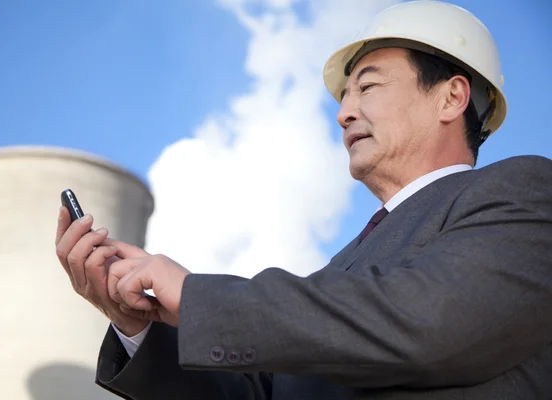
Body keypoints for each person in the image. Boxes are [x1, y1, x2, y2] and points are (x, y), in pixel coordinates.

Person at [55, 1, 552, 399]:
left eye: (369, 87)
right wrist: (136, 325)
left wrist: (196, 296)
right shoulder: (339, 272)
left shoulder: (525, 193)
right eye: (342, 99)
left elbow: (432, 322)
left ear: (451, 97)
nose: (345, 114)